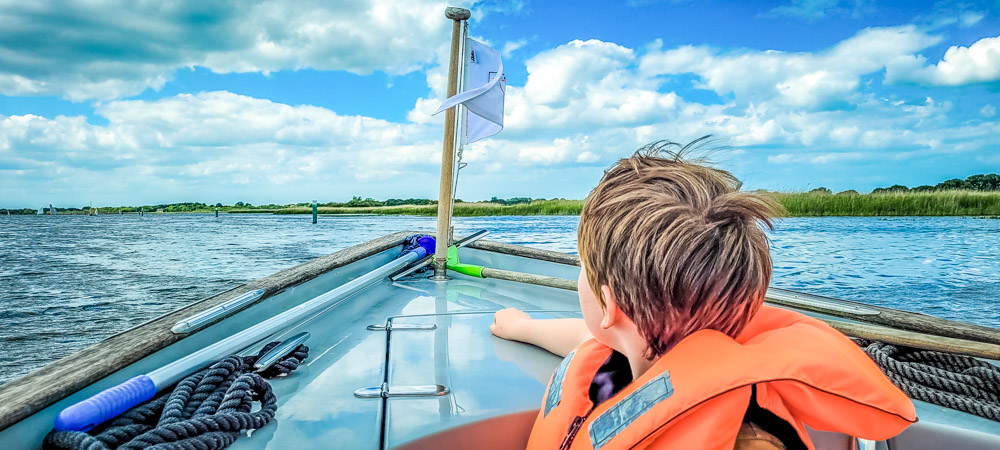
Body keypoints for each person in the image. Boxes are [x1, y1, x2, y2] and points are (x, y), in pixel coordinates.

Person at [490, 139, 916, 450]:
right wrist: (523, 327)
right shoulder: (637, 351)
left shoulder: (746, 442)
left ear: (612, 305)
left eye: (582, 267)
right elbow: (593, 342)